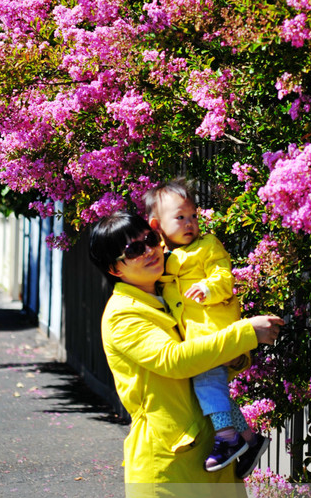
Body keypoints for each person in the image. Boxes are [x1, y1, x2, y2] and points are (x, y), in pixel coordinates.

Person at [89, 210, 284, 498]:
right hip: (169, 465)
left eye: (151, 239)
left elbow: (203, 360)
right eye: (134, 249)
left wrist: (236, 357)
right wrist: (245, 334)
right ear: (115, 269)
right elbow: (175, 360)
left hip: (215, 455)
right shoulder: (123, 314)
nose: (150, 250)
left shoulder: (171, 295)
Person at [143, 178, 271, 479]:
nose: (190, 223)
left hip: (213, 331)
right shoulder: (162, 255)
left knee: (205, 384)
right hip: (195, 334)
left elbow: (225, 278)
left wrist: (208, 288)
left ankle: (227, 438)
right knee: (212, 389)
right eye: (180, 217)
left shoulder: (207, 246)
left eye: (193, 217)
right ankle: (251, 441)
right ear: (157, 225)